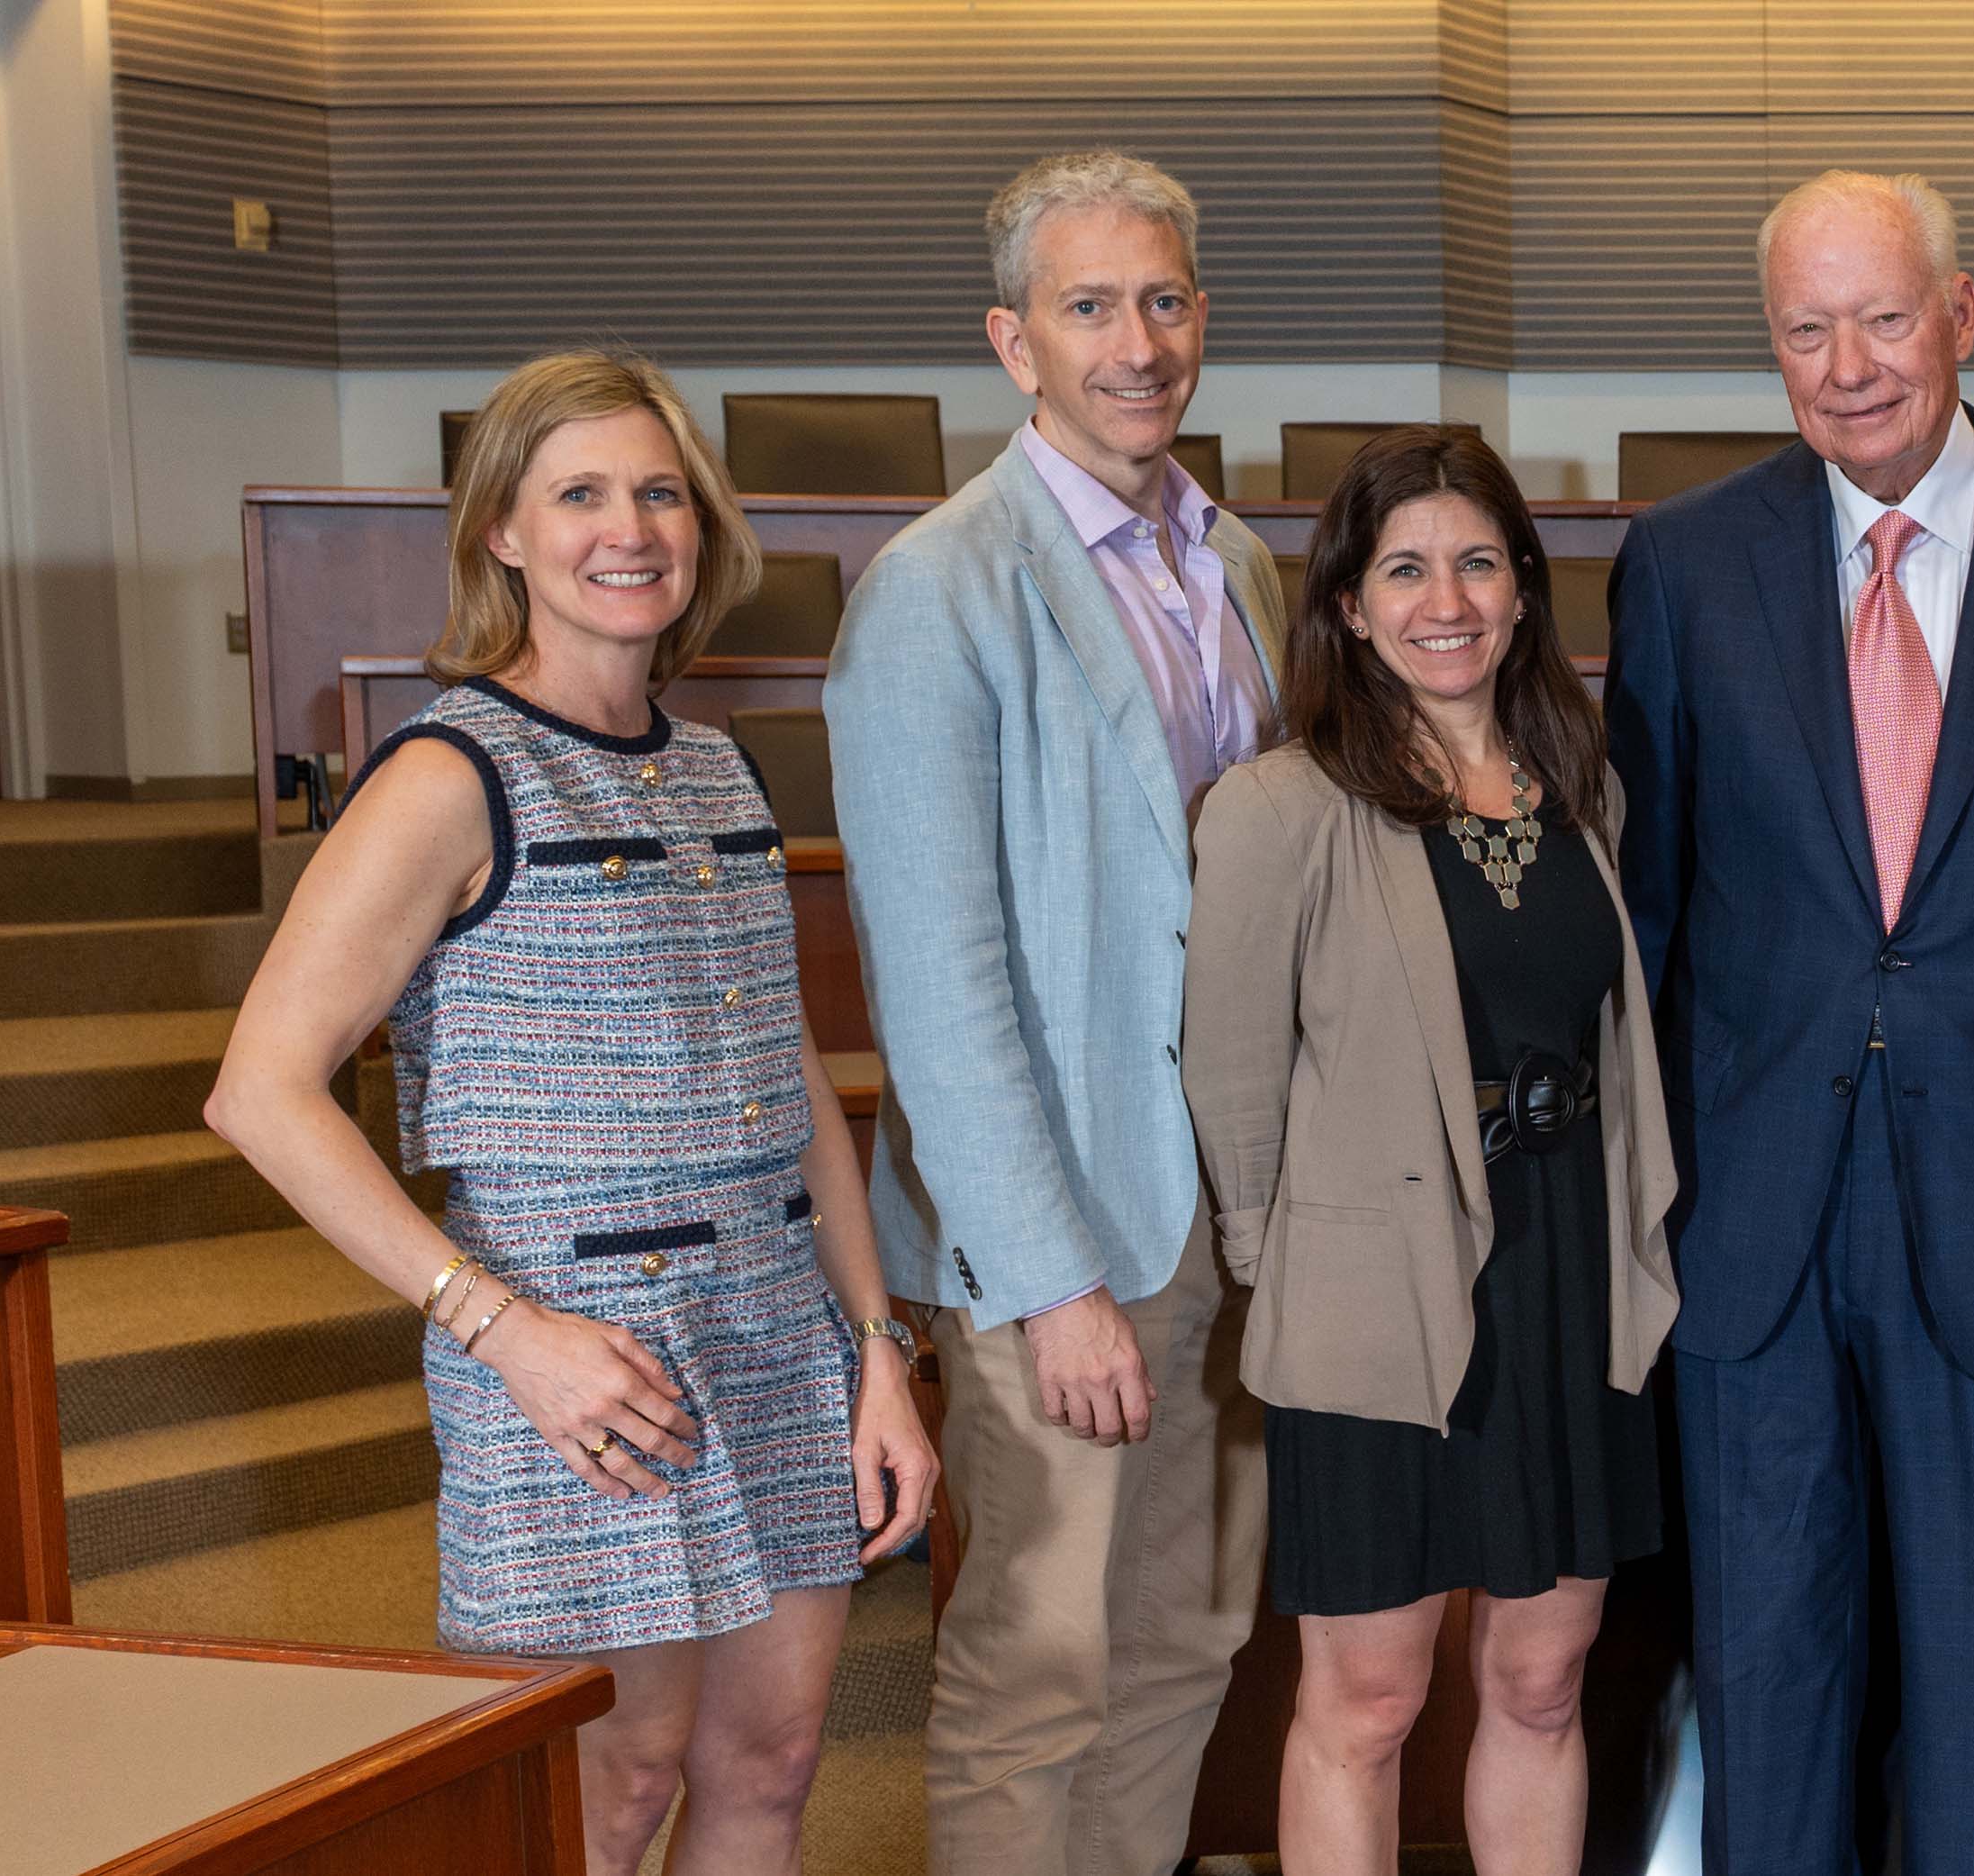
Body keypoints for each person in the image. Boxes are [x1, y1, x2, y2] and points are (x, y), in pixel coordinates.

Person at [205, 349, 935, 1874]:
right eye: (581, 493)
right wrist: (498, 1327)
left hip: (776, 1327)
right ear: (504, 536)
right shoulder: (450, 770)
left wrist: (875, 1344)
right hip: (578, 1351)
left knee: (774, 1760)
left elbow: (789, 1076)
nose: (631, 527)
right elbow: (261, 1094)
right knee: (605, 1788)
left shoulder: (724, 769)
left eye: (660, 491)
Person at [1604, 168, 1974, 1874]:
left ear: (1963, 313)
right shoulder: (1682, 567)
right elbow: (1646, 912)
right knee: (1767, 1662)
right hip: (1747, 1200)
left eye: (1883, 317)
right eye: (1807, 329)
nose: (1849, 364)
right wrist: (1635, 1189)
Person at [822, 150, 1283, 1874]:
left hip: (1222, 1222)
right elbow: (938, 985)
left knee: (1186, 1648)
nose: (1136, 342)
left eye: (1163, 301)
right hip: (1061, 1247)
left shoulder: (1238, 562)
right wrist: (1051, 1282)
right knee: (1040, 1671)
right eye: (1091, 307)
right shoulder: (940, 589)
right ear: (1014, 343)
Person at [1182, 424, 1682, 1876]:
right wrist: (1288, 1277)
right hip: (1370, 1296)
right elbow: (1232, 1080)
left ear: (1525, 589)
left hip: (1568, 1270)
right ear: (1347, 602)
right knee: (1369, 1700)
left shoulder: (1577, 782)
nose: (1444, 598)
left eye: (1477, 561)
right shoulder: (1281, 807)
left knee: (1539, 1681)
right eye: (1403, 568)